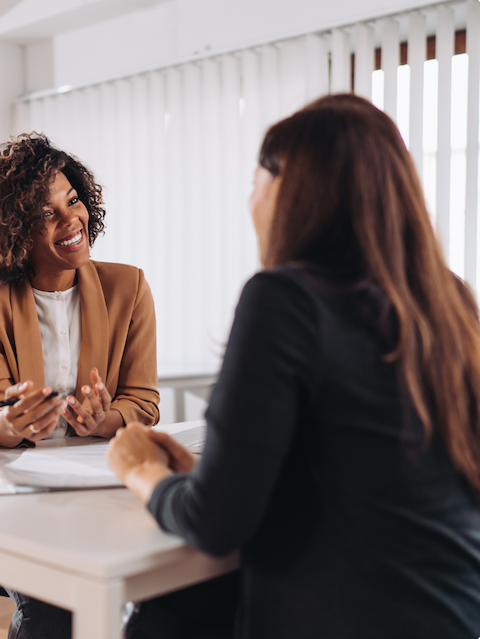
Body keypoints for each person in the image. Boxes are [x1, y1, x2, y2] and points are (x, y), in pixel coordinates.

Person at [107, 94, 480, 639]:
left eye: (255, 181)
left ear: (289, 189)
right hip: (458, 612)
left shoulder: (284, 299)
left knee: (162, 619)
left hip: (354, 619)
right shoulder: (448, 300)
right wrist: (212, 476)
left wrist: (140, 469)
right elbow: (374, 476)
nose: (249, 199)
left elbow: (215, 525)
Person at [0, 133, 160, 639]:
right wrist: (12, 423)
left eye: (73, 201)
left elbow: (143, 400)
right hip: (17, 497)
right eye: (46, 213)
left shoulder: (129, 287)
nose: (70, 221)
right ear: (12, 228)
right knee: (54, 606)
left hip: (100, 490)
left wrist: (108, 419)